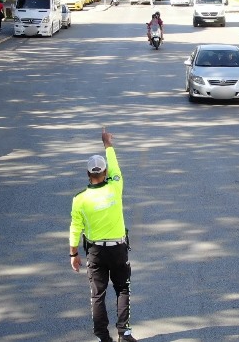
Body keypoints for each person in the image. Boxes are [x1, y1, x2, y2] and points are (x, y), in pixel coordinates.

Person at [69, 128, 137, 342]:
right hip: (118, 249)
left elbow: (75, 227)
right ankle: (124, 333)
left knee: (97, 294)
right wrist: (107, 144)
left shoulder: (80, 199)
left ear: (89, 174)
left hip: (95, 252)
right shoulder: (115, 186)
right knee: (122, 289)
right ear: (105, 173)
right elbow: (115, 166)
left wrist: (73, 254)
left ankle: (102, 337)